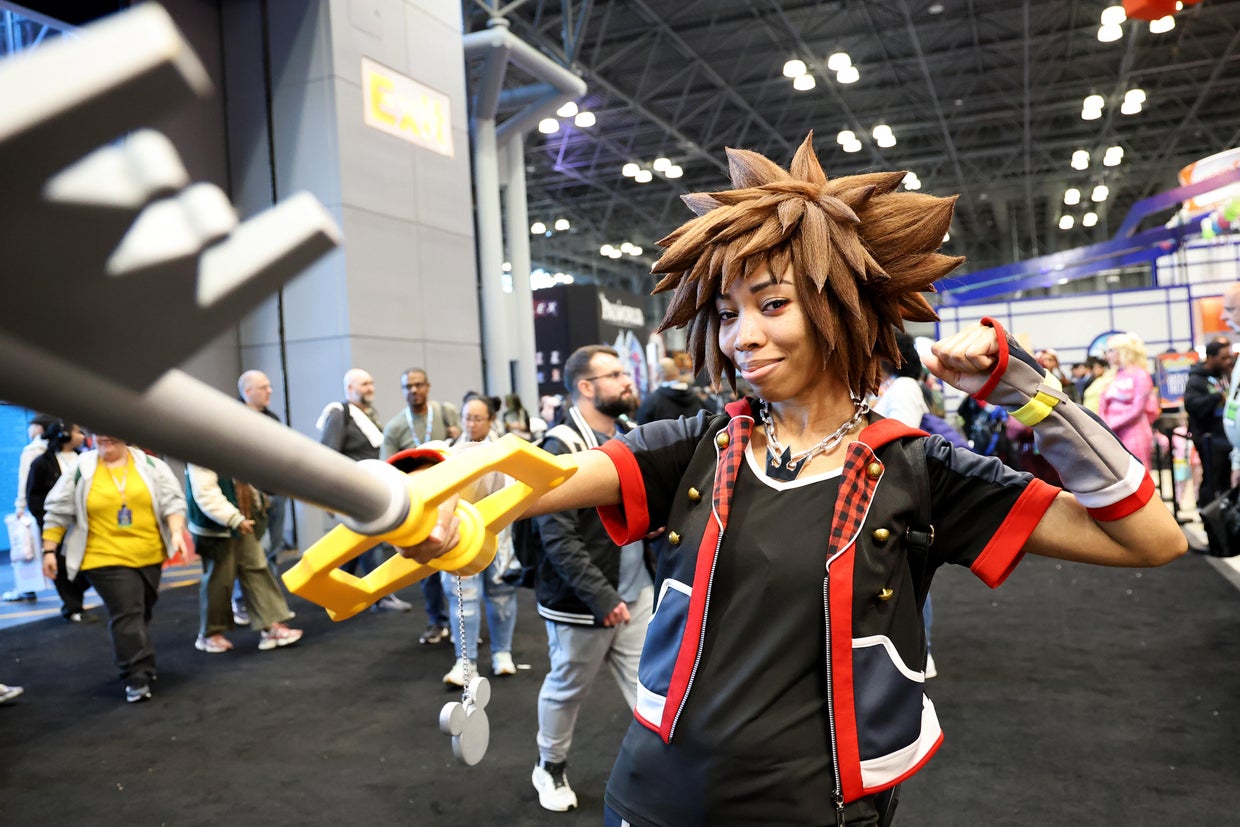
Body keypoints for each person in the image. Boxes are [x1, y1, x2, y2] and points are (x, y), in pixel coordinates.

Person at [399, 134, 1186, 825]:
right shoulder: (698, 447)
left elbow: (1152, 540)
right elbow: (538, 476)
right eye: (730, 309)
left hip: (817, 812)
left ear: (844, 307)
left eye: (771, 303)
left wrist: (1023, 388)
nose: (743, 335)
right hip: (653, 800)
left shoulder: (919, 469)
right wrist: (432, 493)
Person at [527, 344, 653, 813]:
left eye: (625, 372)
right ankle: (550, 765)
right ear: (585, 387)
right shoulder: (559, 447)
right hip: (583, 603)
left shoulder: (631, 437)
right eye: (615, 373)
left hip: (638, 592)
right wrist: (601, 597)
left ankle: (659, 772)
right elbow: (556, 537)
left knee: (654, 689)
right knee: (567, 688)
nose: (627, 380)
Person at [40, 435, 189, 703]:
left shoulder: (151, 466)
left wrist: (177, 531)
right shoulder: (81, 468)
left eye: (109, 432)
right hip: (101, 557)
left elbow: (173, 501)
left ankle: (141, 659)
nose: (104, 437)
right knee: (127, 610)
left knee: (140, 609)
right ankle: (135, 675)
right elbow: (57, 510)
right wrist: (49, 550)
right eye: (98, 433)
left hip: (149, 553)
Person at [439, 396, 519, 686]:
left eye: (477, 418)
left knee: (501, 595)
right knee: (463, 598)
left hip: (501, 532)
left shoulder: (507, 450)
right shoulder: (448, 453)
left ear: (490, 420)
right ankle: (465, 661)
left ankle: (502, 653)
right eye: (467, 417)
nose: (471, 423)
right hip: (462, 535)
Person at [320, 368, 412, 611]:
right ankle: (379, 596)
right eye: (364, 384)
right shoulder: (340, 415)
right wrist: (331, 498)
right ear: (350, 389)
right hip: (353, 493)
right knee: (369, 542)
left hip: (372, 489)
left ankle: (337, 595)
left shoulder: (371, 415)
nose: (370, 388)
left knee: (354, 547)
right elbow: (328, 456)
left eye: (371, 383)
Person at [186, 463, 303, 653]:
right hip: (216, 528)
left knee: (257, 569)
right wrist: (233, 519)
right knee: (219, 580)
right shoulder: (200, 448)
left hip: (242, 520)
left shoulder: (231, 445)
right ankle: (209, 635)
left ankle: (271, 626)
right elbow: (205, 493)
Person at [380, 368, 460, 636]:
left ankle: (464, 629)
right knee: (427, 567)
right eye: (407, 386)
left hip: (454, 495)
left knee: (461, 563)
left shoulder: (445, 412)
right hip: (418, 505)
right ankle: (437, 622)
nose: (413, 390)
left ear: (428, 386)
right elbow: (386, 469)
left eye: (417, 385)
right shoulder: (395, 427)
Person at [25, 420, 93, 621]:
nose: (82, 435)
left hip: (84, 524)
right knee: (62, 567)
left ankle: (76, 602)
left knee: (85, 566)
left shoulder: (85, 459)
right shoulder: (41, 463)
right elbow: (33, 495)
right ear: (64, 435)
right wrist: (44, 520)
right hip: (57, 525)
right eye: (77, 431)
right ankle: (73, 607)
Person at [5, 413, 57, 602]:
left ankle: (27, 588)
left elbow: (25, 481)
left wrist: (20, 505)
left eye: (32, 425)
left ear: (39, 428)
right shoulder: (57, 449)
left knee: (28, 548)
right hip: (54, 507)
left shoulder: (32, 450)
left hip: (35, 506)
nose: (29, 429)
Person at [1183, 338, 1233, 510]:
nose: (1227, 361)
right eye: (1223, 358)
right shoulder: (1196, 380)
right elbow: (1192, 405)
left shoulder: (1224, 375)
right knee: (1212, 478)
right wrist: (1217, 397)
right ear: (1211, 357)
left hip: (1226, 438)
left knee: (1227, 479)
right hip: (1209, 438)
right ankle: (1208, 516)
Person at [1099, 332, 1158, 470]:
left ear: (1124, 351)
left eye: (1111, 350)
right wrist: (1104, 424)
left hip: (1134, 432)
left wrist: (1110, 425)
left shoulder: (1140, 375)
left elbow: (1137, 409)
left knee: (1138, 472)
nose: (1108, 355)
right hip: (1112, 433)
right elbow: (1102, 403)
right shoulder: (1112, 375)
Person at [635, 357, 709, 424]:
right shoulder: (696, 398)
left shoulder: (650, 403)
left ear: (657, 375)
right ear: (677, 371)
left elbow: (642, 432)